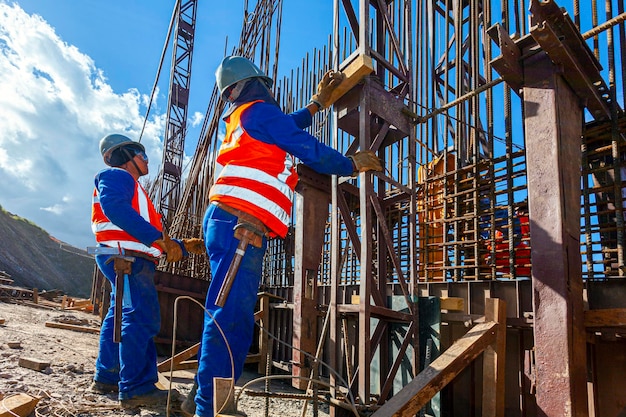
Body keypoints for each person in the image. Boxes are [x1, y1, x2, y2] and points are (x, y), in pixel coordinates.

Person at [186, 56, 383, 417]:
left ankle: (198, 399)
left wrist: (317, 104)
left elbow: (286, 126)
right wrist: (350, 164)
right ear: (254, 84)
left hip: (231, 223)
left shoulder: (249, 117)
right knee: (231, 319)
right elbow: (303, 145)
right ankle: (211, 408)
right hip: (239, 227)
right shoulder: (259, 111)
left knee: (224, 312)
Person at [90, 133, 204, 408]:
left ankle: (108, 375)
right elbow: (116, 211)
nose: (147, 159)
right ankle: (136, 387)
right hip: (126, 259)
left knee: (119, 316)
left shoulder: (133, 188)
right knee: (141, 317)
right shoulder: (117, 176)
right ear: (125, 156)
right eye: (141, 155)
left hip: (126, 256)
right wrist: (159, 239)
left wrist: (181, 246)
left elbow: (145, 234)